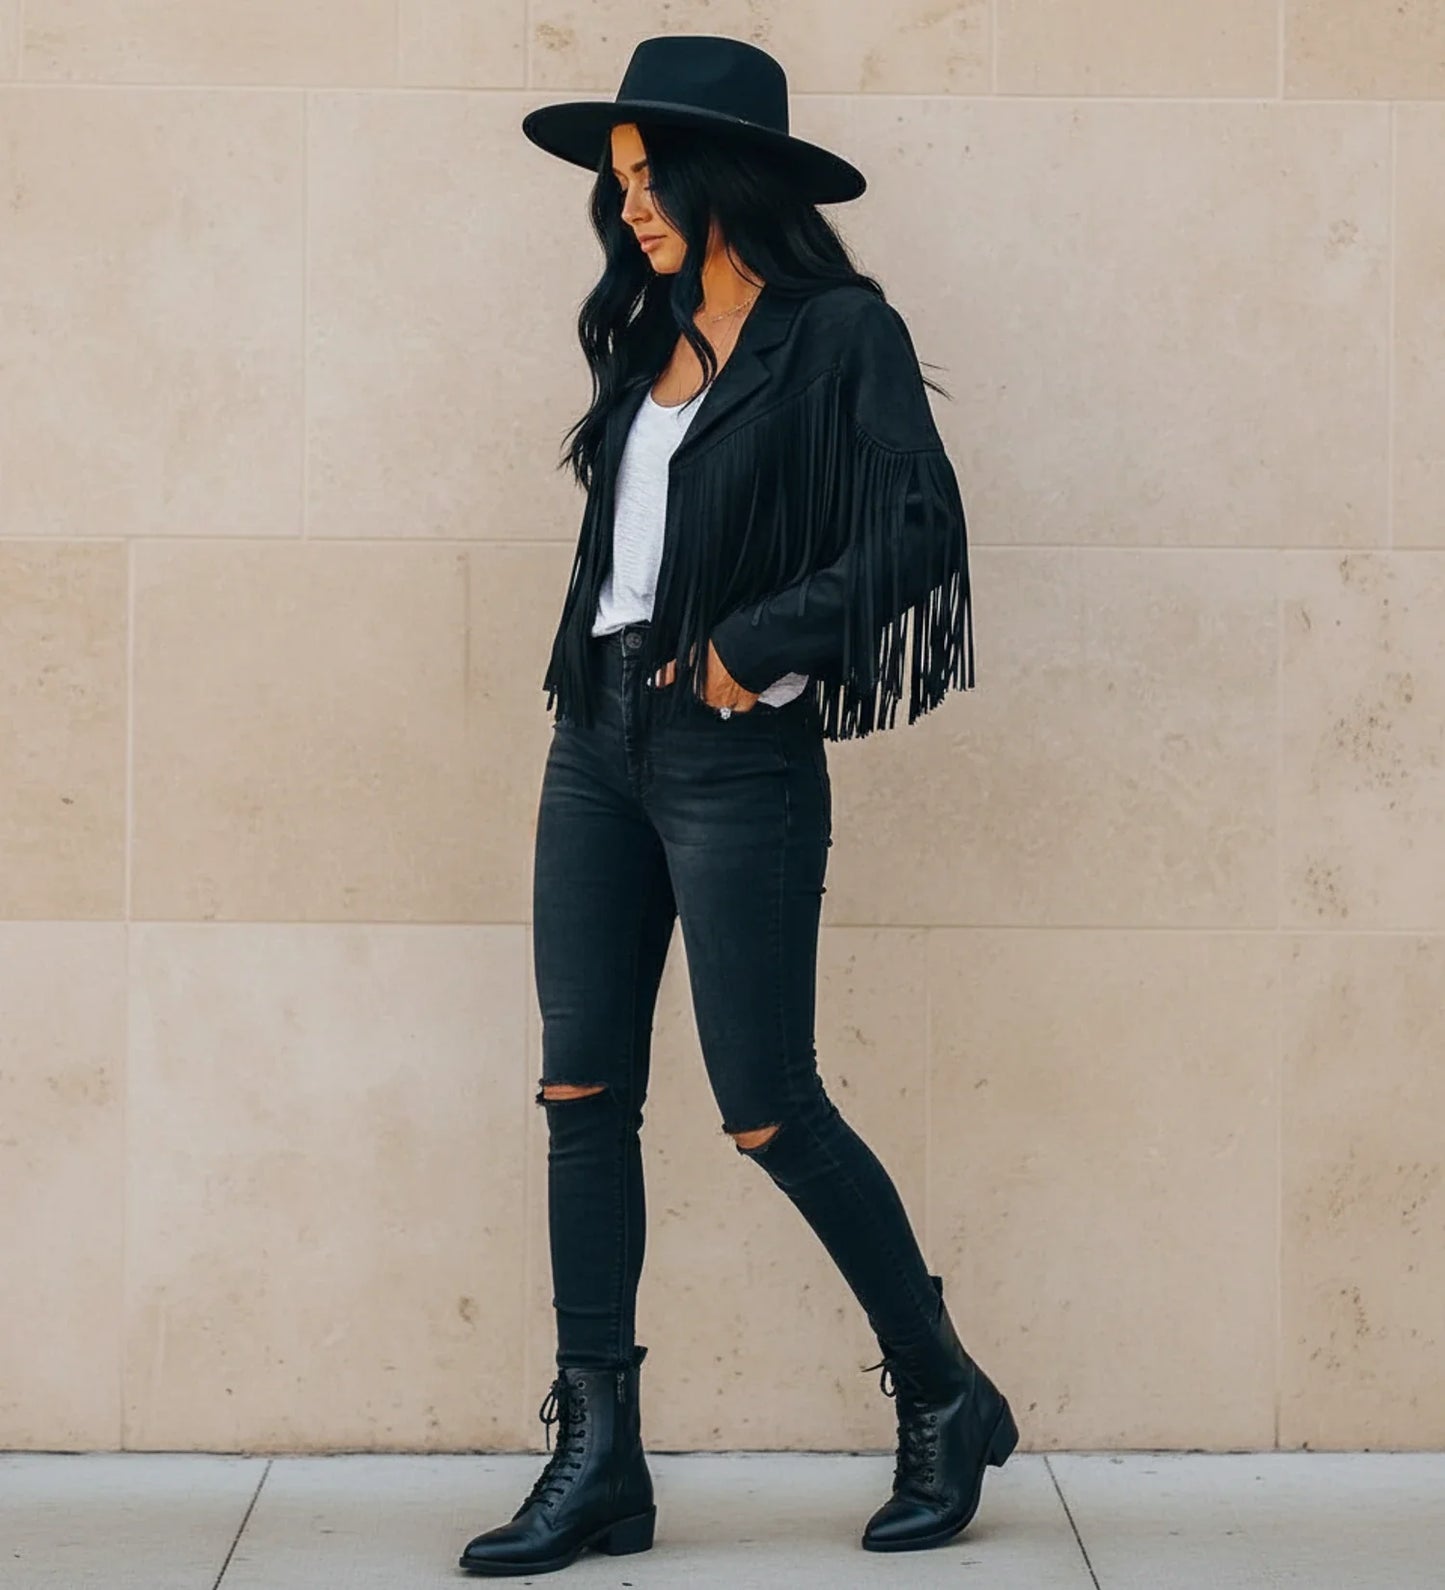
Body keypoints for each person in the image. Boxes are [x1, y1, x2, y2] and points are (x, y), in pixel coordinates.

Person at [459, 33, 1016, 1578]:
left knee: (767, 1102)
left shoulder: (840, 332)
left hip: (731, 759)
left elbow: (916, 533)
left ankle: (942, 1389)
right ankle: (600, 1460)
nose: (628, 207)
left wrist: (746, 656)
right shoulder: (641, 334)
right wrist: (612, 697)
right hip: (594, 742)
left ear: (727, 177)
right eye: (618, 183)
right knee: (580, 1097)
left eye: (652, 179)